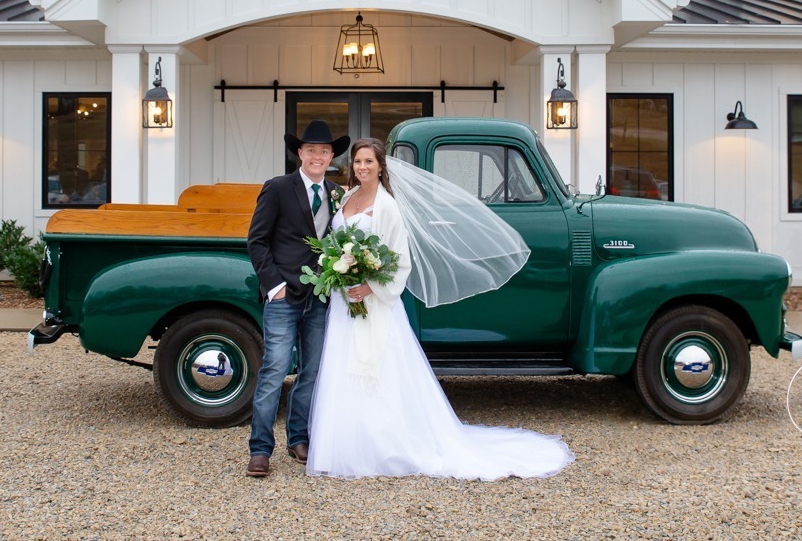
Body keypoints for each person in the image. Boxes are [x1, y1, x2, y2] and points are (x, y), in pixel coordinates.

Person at [306, 138, 573, 479]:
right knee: (344, 368)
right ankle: (342, 446)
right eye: (358, 161)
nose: (362, 167)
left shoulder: (387, 206)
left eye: (369, 161)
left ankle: (382, 449)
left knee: (375, 369)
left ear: (380, 166)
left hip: (373, 302)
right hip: (346, 303)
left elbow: (399, 261)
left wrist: (370, 285)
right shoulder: (347, 198)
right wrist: (338, 270)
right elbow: (335, 244)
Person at [244, 119, 348, 478]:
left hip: (320, 298)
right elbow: (256, 241)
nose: (317, 156)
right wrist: (275, 286)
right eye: (311, 150)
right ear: (299, 153)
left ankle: (299, 438)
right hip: (283, 297)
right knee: (274, 369)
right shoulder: (277, 188)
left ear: (331, 155)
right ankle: (260, 449)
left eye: (324, 150)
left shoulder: (337, 193)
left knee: (312, 371)